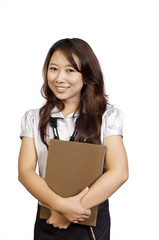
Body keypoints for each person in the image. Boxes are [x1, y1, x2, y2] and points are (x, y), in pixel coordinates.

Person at [18, 38, 129, 240]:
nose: (60, 78)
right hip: (49, 216)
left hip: (90, 219)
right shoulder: (33, 118)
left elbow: (119, 172)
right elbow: (25, 172)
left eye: (70, 70)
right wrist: (59, 207)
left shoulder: (107, 116)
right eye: (54, 69)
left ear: (86, 75)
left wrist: (71, 212)